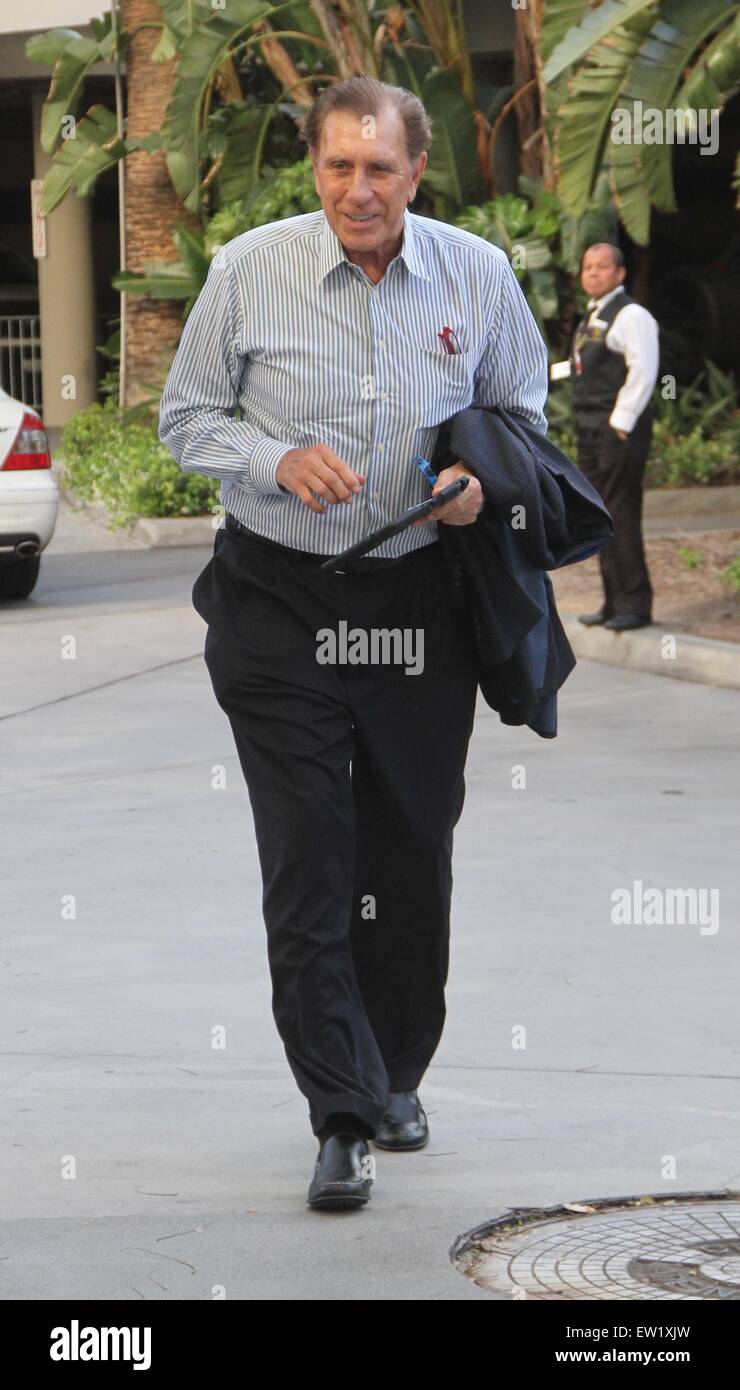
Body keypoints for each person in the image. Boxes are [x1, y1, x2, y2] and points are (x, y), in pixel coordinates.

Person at [158, 75, 548, 1210]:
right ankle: (339, 1109)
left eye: (380, 169)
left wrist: (483, 481)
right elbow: (185, 417)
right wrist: (271, 458)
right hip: (278, 601)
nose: (357, 190)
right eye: (338, 167)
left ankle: (395, 1070)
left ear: (415, 173)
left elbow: (521, 410)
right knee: (309, 853)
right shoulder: (248, 270)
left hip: (419, 603)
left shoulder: (474, 273)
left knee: (409, 849)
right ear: (314, 168)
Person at [571, 243, 660, 631]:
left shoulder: (631, 315)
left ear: (620, 274)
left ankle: (635, 604)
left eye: (602, 267)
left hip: (617, 429)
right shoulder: (593, 315)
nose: (592, 273)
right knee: (599, 515)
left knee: (621, 513)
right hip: (589, 427)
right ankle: (612, 600)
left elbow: (644, 370)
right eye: (587, 267)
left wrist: (620, 422)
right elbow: (582, 366)